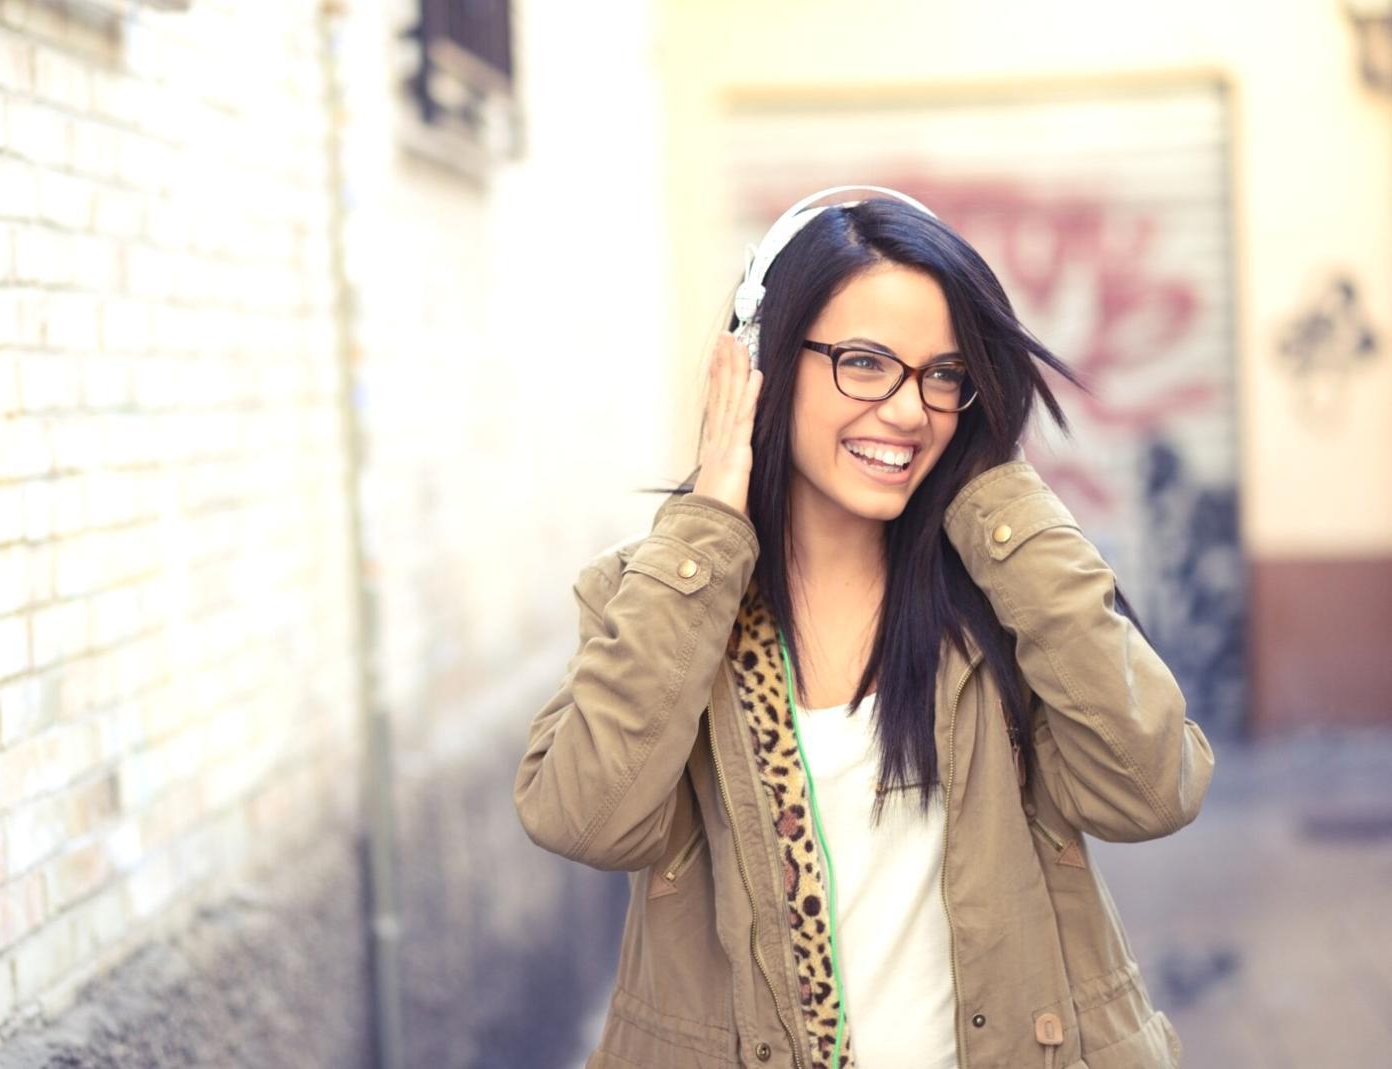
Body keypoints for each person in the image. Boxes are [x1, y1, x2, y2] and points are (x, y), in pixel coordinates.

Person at [513, 186, 1216, 1069]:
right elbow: (586, 818)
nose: (908, 409)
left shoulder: (1001, 591)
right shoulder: (660, 596)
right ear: (763, 360)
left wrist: (997, 494)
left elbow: (1153, 790)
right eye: (863, 361)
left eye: (943, 373)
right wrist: (708, 525)